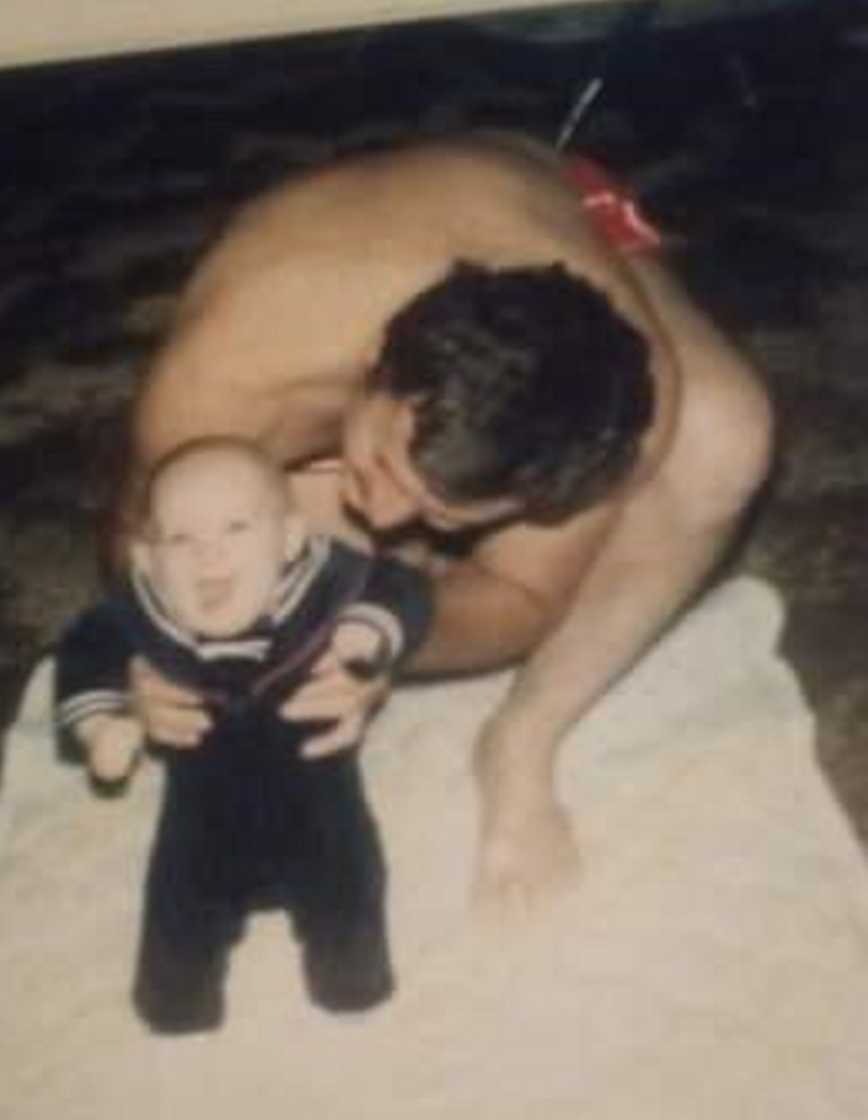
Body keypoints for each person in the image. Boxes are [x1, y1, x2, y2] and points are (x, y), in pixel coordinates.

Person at [123, 134, 774, 912]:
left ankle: (522, 741)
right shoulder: (228, 376)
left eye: (438, 516)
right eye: (386, 470)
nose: (391, 518)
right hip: (348, 234)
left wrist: (372, 630)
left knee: (726, 439)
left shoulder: (619, 406)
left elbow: (521, 600)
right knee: (256, 548)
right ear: (374, 364)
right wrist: (158, 650)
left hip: (555, 211)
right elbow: (135, 539)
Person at [57, 437, 431, 1030]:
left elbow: (402, 587)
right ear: (148, 561)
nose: (209, 555)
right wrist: (103, 723)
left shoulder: (327, 583)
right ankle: (178, 1005)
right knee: (178, 915)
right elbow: (84, 651)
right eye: (180, 539)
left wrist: (371, 632)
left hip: (320, 802)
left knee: (350, 893)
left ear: (288, 539)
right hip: (201, 818)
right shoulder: (139, 613)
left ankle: (351, 980)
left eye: (236, 527)